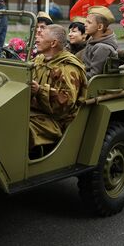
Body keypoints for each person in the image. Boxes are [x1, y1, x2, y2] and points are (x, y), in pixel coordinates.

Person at [29, 24, 87, 153]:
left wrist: (39, 91)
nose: (36, 39)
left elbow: (66, 104)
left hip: (56, 121)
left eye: (41, 36)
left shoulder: (67, 67)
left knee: (18, 128)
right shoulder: (39, 60)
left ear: (53, 43)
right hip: (35, 111)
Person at [78, 6, 119, 79]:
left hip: (93, 86)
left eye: (89, 22)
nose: (85, 25)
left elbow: (94, 75)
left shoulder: (102, 48)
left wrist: (74, 77)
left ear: (100, 27)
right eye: (85, 21)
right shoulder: (92, 41)